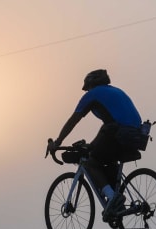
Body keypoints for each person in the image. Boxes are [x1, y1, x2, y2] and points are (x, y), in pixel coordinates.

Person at [48, 69, 142, 220]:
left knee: (91, 162)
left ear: (91, 85)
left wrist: (58, 142)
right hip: (137, 135)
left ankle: (112, 198)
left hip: (119, 133)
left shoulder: (92, 95)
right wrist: (92, 145)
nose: (87, 91)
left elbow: (73, 120)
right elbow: (108, 127)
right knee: (104, 159)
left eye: (88, 88)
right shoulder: (115, 91)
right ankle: (116, 205)